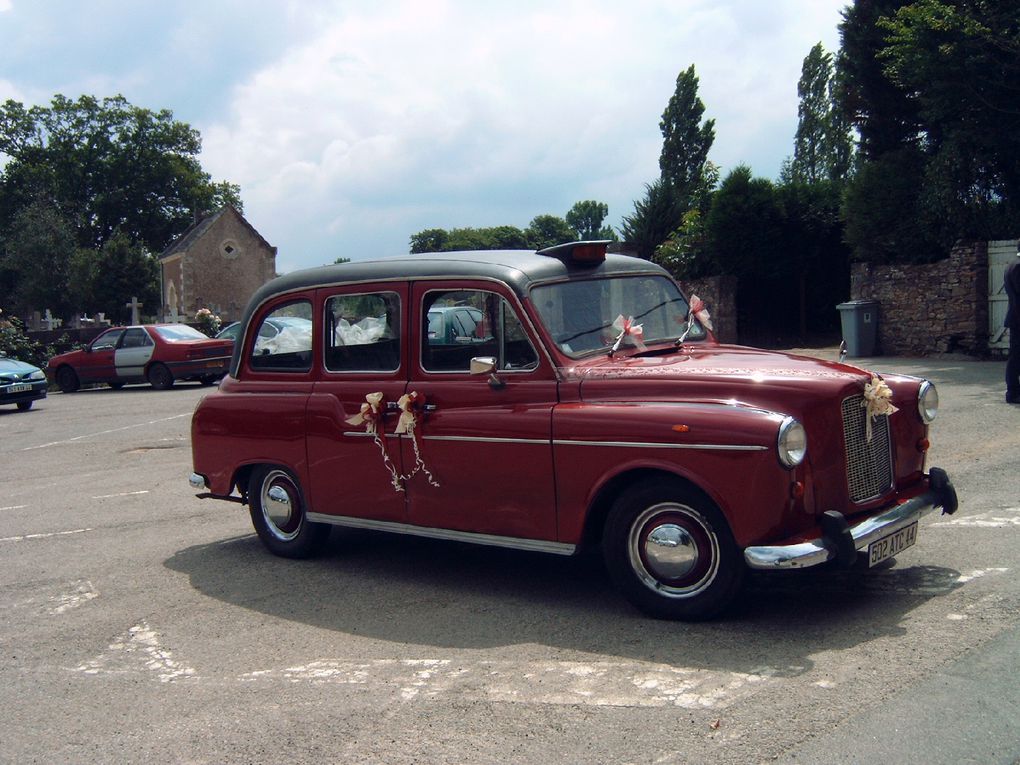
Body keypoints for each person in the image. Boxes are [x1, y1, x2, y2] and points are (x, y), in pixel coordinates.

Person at [1005, 241, 1020, 404]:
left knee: (1016, 356)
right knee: (1016, 357)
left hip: (1016, 317)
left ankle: (1015, 390)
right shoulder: (1018, 266)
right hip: (1018, 318)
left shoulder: (1013, 265)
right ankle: (1013, 392)